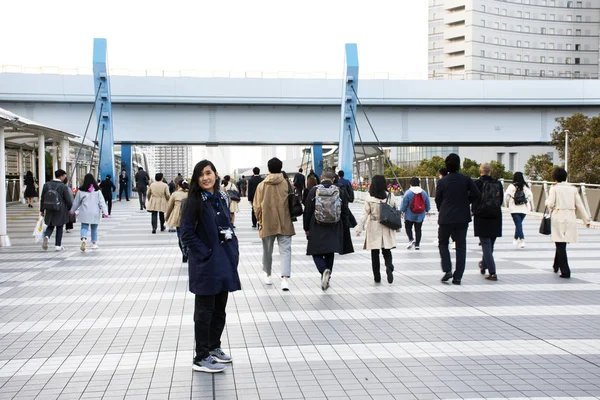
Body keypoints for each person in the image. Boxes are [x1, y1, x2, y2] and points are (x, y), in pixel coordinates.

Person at [180, 160, 240, 373]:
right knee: (204, 311)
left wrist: (233, 252)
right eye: (201, 175)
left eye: (208, 173)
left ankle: (214, 347)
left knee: (219, 310)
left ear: (216, 173)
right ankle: (201, 356)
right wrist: (205, 253)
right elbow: (186, 233)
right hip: (206, 265)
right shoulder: (193, 202)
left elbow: (228, 225)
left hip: (224, 261)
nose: (205, 178)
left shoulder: (222, 197)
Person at [435, 153, 480, 285]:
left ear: (446, 166)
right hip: (462, 217)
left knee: (443, 243)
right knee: (461, 246)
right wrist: (467, 201)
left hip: (446, 217)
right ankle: (458, 276)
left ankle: (447, 268)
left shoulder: (442, 181)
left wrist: (441, 209)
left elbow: (438, 199)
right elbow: (477, 193)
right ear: (459, 165)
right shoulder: (466, 179)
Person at [303, 167, 350, 291]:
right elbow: (345, 211)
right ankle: (327, 277)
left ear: (322, 177)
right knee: (330, 251)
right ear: (333, 179)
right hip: (334, 226)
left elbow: (307, 211)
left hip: (317, 225)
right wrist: (345, 227)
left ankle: (323, 270)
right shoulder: (340, 191)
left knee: (315, 251)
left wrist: (306, 228)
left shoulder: (314, 191)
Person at [253, 158, 296, 291]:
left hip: (267, 222)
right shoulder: (287, 183)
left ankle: (268, 275)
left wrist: (260, 220)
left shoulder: (262, 185)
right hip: (285, 221)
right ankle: (285, 280)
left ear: (269, 169)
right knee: (285, 251)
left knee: (267, 251)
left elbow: (256, 206)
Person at [546, 167, 591, 278]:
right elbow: (579, 204)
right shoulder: (573, 189)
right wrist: (586, 219)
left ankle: (565, 271)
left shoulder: (554, 189)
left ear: (555, 178)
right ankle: (556, 265)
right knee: (562, 242)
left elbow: (550, 204)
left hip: (558, 216)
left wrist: (546, 201)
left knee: (560, 243)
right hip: (570, 216)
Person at [356, 175, 399, 284]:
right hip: (387, 225)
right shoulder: (390, 196)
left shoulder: (369, 197)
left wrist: (359, 229)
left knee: (375, 253)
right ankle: (389, 267)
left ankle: (377, 277)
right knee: (386, 250)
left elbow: (364, 214)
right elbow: (396, 210)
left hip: (374, 226)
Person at [472, 163, 503, 281]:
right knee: (491, 244)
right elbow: (500, 200)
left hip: (481, 216)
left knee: (485, 244)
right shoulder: (497, 183)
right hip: (495, 216)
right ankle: (484, 264)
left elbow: (472, 198)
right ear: (490, 171)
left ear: (480, 171)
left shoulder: (478, 183)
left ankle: (492, 272)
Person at [70, 174, 109, 251]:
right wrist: (105, 212)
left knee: (84, 227)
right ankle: (94, 243)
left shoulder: (81, 190)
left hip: (85, 212)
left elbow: (76, 202)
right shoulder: (97, 190)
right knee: (94, 228)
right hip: (95, 212)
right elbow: (102, 202)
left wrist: (71, 211)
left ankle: (83, 239)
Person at [40, 169, 74, 251]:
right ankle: (58, 245)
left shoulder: (46, 185)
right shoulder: (63, 186)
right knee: (59, 227)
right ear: (61, 176)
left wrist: (42, 210)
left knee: (50, 225)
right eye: (64, 176)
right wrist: (71, 210)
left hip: (49, 209)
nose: (64, 178)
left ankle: (47, 236)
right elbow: (68, 200)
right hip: (60, 209)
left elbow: (42, 198)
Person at [400, 177, 431, 250]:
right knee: (418, 229)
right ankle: (417, 244)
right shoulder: (423, 192)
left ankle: (411, 239)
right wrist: (427, 210)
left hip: (409, 215)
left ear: (410, 184)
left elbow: (404, 204)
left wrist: (401, 211)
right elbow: (427, 203)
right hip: (420, 215)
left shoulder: (408, 193)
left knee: (408, 228)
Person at [505, 171, 534, 248]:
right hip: (524, 208)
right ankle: (515, 238)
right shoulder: (526, 186)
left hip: (514, 209)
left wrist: (509, 202)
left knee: (518, 224)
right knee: (519, 224)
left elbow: (507, 197)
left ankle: (522, 240)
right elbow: (530, 197)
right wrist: (526, 201)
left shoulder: (511, 186)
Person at [166, 180, 190, 262]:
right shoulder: (191, 194)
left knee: (180, 237)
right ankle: (188, 251)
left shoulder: (175, 194)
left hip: (178, 218)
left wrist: (167, 217)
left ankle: (184, 253)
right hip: (190, 218)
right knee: (189, 236)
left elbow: (169, 207)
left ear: (178, 186)